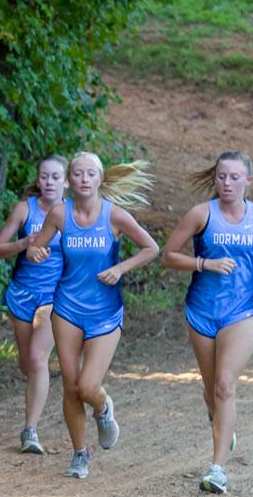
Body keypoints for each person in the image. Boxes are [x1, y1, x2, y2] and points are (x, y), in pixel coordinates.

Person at [163, 152, 253, 494]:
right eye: (222, 177)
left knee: (225, 384)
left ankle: (217, 469)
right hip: (201, 311)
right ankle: (221, 421)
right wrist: (204, 264)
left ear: (247, 182)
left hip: (243, 311)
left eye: (234, 177)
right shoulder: (201, 214)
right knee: (211, 390)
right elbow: (169, 256)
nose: (226, 183)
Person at [27, 152, 159, 479]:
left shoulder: (114, 216)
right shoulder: (60, 213)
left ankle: (103, 408)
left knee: (88, 386)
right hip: (67, 308)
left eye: (90, 174)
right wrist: (36, 251)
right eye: (78, 174)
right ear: (70, 180)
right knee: (71, 386)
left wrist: (120, 268)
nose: (84, 179)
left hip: (104, 312)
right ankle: (80, 453)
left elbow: (151, 248)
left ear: (100, 179)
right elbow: (35, 248)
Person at [0, 155, 67, 455]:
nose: (49, 182)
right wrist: (25, 245)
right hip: (22, 294)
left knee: (37, 360)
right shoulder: (25, 209)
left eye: (56, 177)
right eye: (45, 177)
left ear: (65, 182)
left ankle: (30, 431)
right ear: (38, 180)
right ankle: (40, 383)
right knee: (27, 365)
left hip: (55, 297)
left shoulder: (71, 214)